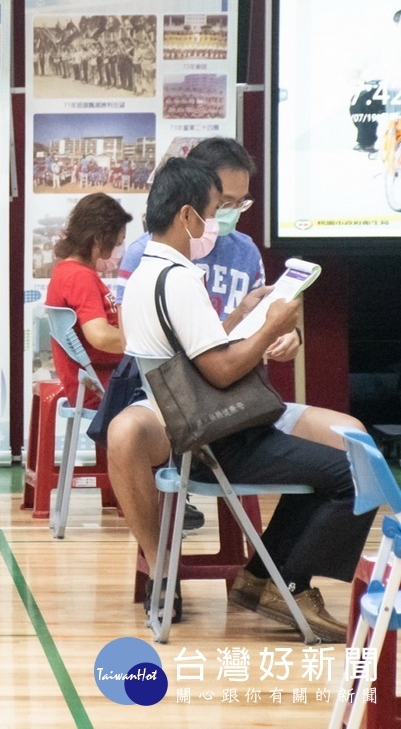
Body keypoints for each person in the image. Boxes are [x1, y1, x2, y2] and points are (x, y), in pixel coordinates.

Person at [120, 156, 374, 643]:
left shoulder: (147, 274)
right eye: (215, 210)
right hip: (219, 438)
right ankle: (285, 583)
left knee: (335, 466)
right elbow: (220, 369)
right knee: (350, 472)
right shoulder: (180, 280)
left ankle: (264, 578)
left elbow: (201, 353)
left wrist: (244, 318)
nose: (217, 223)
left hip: (196, 430)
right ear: (187, 216)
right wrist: (274, 327)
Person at [44, 193, 131, 410]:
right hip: (103, 385)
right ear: (100, 237)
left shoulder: (68, 271)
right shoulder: (79, 277)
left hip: (101, 379)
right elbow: (100, 337)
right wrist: (146, 341)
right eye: (117, 242)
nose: (117, 251)